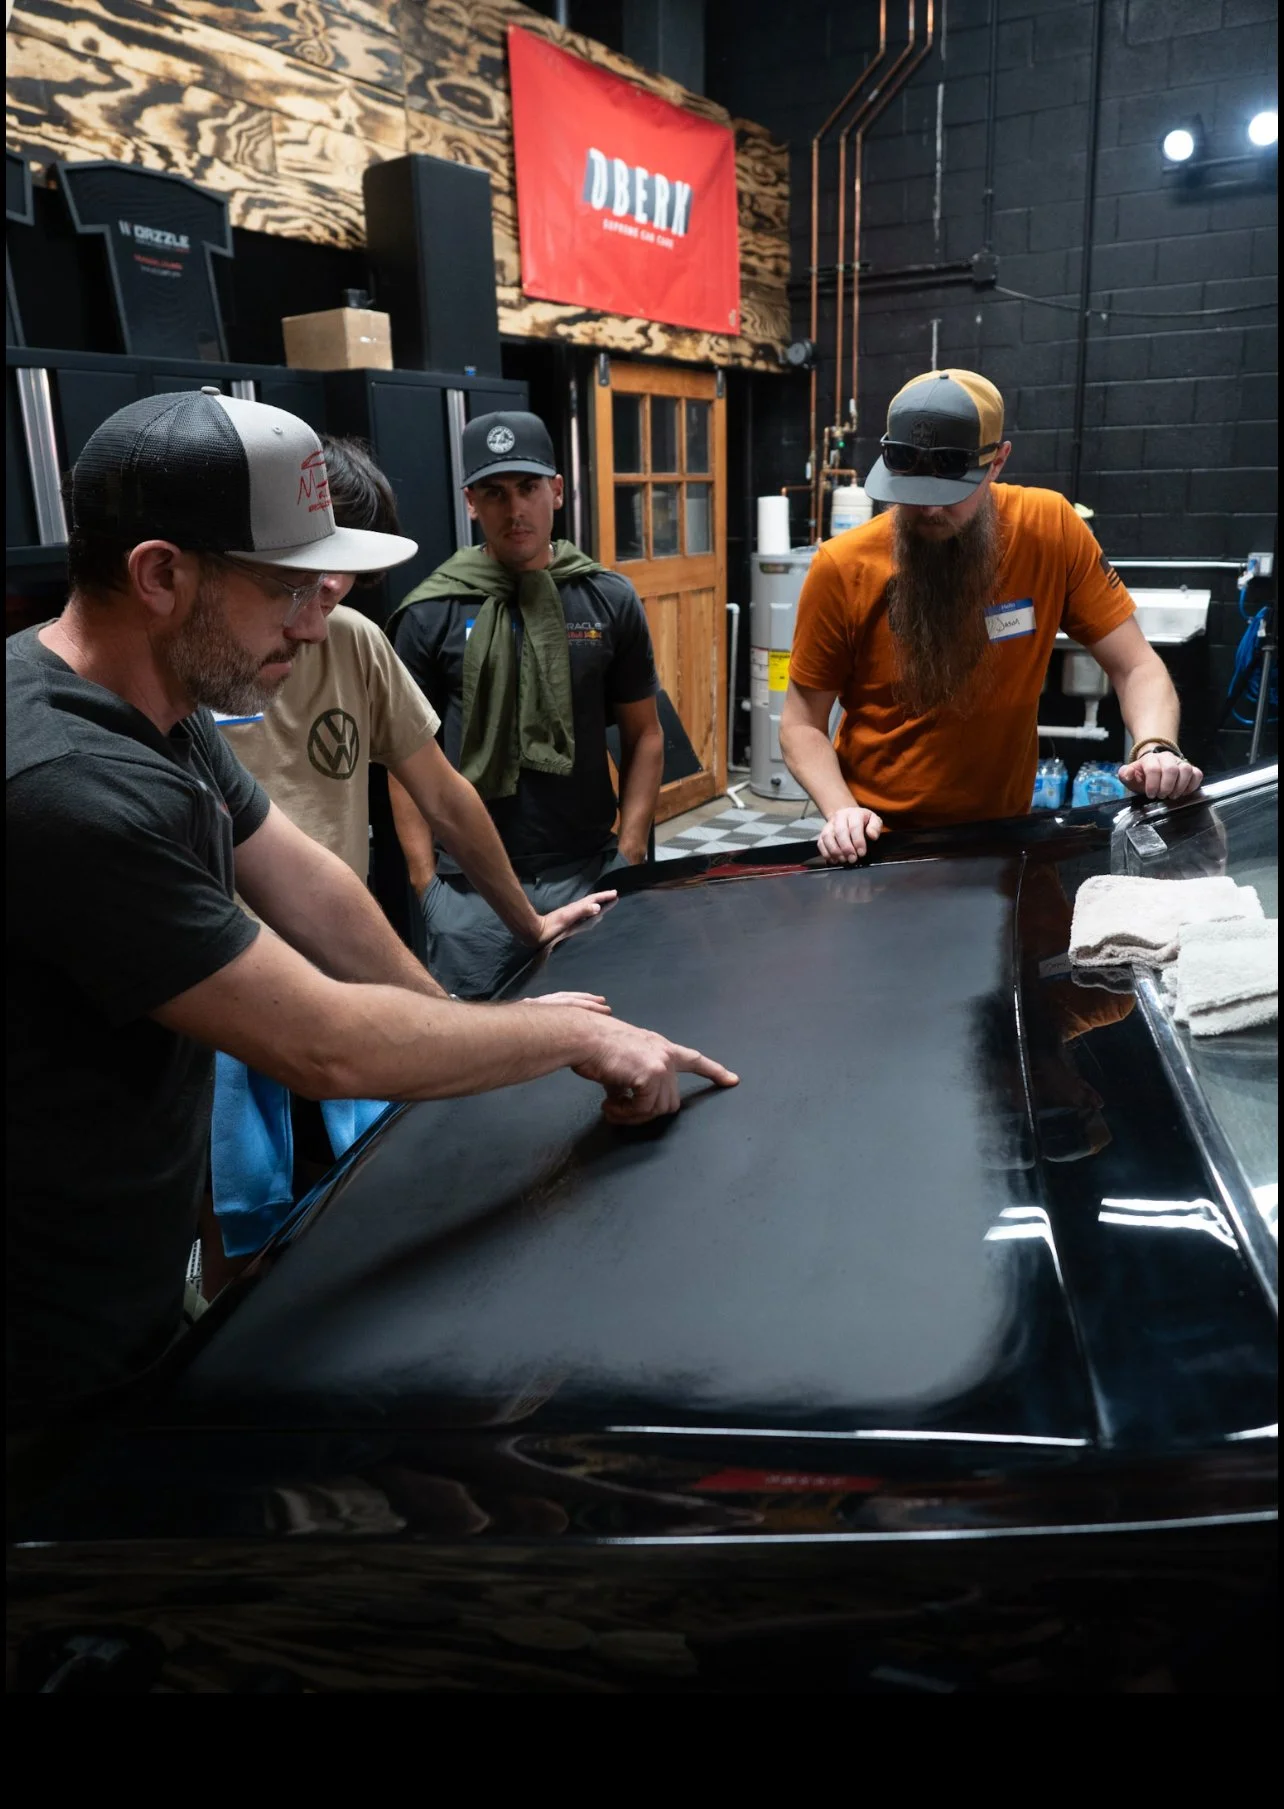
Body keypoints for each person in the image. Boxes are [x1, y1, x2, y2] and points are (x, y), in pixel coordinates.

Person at [5, 388, 737, 1432]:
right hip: (49, 1322)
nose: (316, 623)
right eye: (285, 590)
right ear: (161, 575)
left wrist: (457, 1018)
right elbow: (323, 1045)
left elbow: (303, 878)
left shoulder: (158, 702)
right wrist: (570, 1036)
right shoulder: (65, 784)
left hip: (123, 1251)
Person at [207, 436, 617, 1276]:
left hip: (340, 943)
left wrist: (530, 924)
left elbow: (443, 796)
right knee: (235, 1193)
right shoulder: (203, 659)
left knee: (380, 1163)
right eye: (307, 566)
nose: (324, 594)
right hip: (216, 964)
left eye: (343, 571)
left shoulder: (354, 642)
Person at [780, 368, 1205, 865]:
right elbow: (801, 725)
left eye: (949, 492)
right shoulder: (842, 567)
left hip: (1007, 832)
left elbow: (1136, 666)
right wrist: (842, 812)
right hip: (880, 839)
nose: (928, 511)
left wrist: (1155, 747)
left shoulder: (1050, 529)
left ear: (997, 461)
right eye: (910, 490)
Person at [388, 409, 665, 999]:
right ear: (471, 503)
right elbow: (404, 754)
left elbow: (645, 735)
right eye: (494, 492)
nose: (514, 509)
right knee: (480, 1046)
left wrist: (630, 850)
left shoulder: (607, 598)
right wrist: (425, 883)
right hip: (469, 893)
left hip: (587, 872)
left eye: (528, 487)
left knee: (604, 1031)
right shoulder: (430, 612)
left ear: (556, 492)